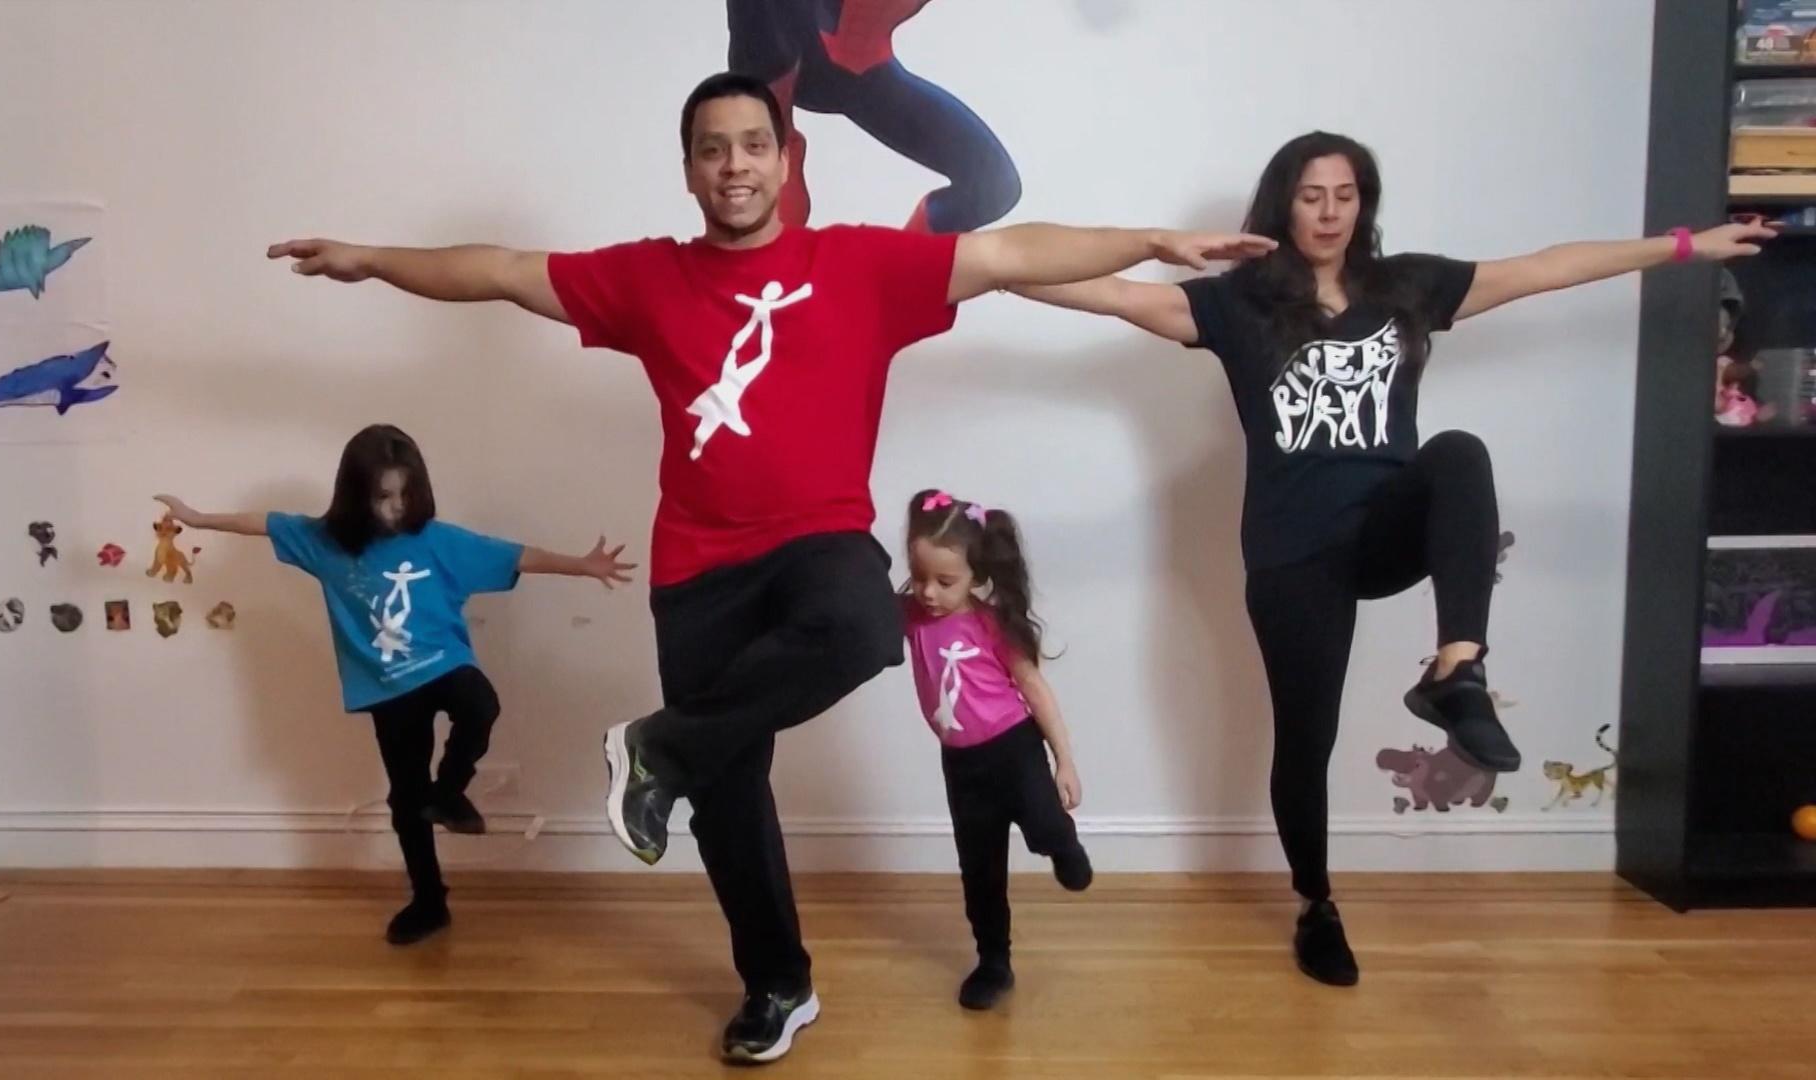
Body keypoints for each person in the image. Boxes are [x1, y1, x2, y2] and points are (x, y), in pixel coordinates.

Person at [265, 73, 1271, 1063]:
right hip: (695, 569)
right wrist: (370, 259)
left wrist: (1154, 241)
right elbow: (500, 269)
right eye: (713, 149)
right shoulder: (649, 278)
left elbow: (1009, 252)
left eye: (754, 144)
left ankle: (657, 748)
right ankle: (777, 984)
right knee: (729, 794)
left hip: (814, 543)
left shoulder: (862, 264)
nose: (734, 165)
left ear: (787, 160)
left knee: (863, 624)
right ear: (690, 171)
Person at [1014, 130, 1774, 987]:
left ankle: (1457, 670)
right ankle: (1317, 903)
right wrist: (971, 266)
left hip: (1384, 530)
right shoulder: (1236, 304)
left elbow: (1544, 269)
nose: (1329, 212)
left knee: (1457, 453)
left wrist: (1685, 247)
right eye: (1312, 196)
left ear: (1363, 204)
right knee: (1306, 740)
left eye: (1345, 195)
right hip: (1293, 552)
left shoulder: (1406, 287)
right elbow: (1107, 294)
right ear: (1283, 204)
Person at [153, 424, 634, 946]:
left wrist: (582, 566)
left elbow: (515, 555)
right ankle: (429, 900)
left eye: (405, 494)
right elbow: (264, 523)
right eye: (383, 497)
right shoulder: (325, 542)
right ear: (355, 494)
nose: (396, 507)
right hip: (385, 685)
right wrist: (198, 518)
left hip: (442, 662)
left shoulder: (437, 541)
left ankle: (449, 791)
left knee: (480, 703)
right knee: (406, 797)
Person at [901, 489, 1089, 1011]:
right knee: (979, 870)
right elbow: (862, 614)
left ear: (975, 576)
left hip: (1015, 749)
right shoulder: (910, 616)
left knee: (1044, 826)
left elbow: (1034, 689)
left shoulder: (989, 622)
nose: (929, 592)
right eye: (919, 577)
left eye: (945, 581)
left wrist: (1064, 760)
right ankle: (993, 961)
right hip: (962, 765)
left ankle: (1062, 843)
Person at [726, 0, 1020, 232]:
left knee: (995, 185)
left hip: (860, 69)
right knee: (768, 146)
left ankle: (904, 270)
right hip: (793, 54)